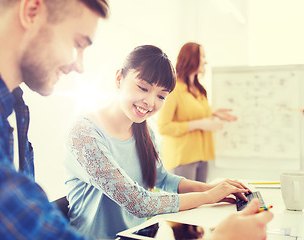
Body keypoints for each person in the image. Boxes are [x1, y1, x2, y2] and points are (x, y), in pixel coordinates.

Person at [0, 0, 109, 239]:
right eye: (77, 44)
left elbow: (29, 206)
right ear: (31, 12)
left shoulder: (13, 107)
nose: (79, 65)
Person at [63, 45, 272, 239]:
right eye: (143, 88)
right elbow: (139, 203)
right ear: (119, 78)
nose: (150, 102)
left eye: (161, 96)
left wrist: (215, 189)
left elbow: (164, 180)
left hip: (138, 235)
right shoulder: (84, 134)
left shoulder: (144, 131)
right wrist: (210, 195)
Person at [157, 42, 237, 182]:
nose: (205, 61)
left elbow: (192, 113)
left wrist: (213, 114)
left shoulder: (199, 89)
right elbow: (163, 127)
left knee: (201, 202)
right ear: (191, 58)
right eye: (203, 56)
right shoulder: (173, 89)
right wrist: (200, 124)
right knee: (188, 202)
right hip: (183, 158)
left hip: (203, 156)